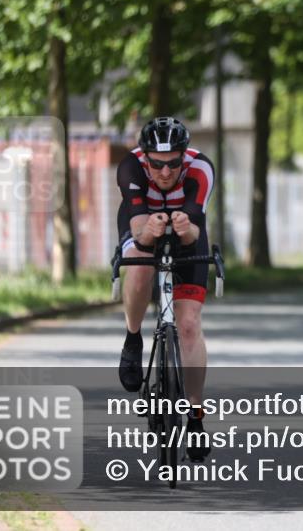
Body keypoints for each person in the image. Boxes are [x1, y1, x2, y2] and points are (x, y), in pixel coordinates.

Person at [116, 116, 215, 461]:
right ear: (145, 157)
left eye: (174, 163)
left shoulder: (200, 168)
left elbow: (193, 232)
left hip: (189, 232)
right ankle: (132, 338)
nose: (165, 172)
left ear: (183, 155)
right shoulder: (131, 167)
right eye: (157, 165)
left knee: (188, 326)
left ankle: (196, 417)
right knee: (141, 264)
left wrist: (182, 228)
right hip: (142, 227)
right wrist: (149, 232)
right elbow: (139, 229)